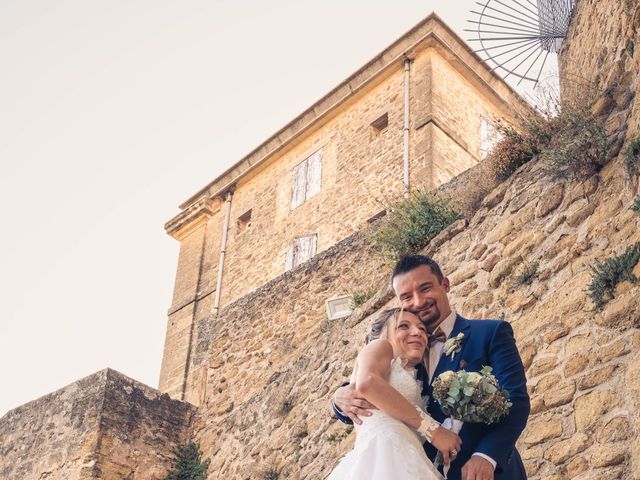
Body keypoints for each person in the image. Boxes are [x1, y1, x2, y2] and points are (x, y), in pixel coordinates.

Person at [333, 255, 530, 480]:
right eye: (406, 297)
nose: (417, 302)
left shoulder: (490, 333)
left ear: (445, 285)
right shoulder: (402, 352)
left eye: (425, 288)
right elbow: (374, 394)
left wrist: (486, 456)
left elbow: (516, 400)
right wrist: (340, 398)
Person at [328, 308, 461, 480]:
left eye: (422, 329)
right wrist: (432, 431)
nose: (417, 332)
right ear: (383, 333)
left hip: (412, 461)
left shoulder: (417, 375)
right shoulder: (380, 346)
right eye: (403, 326)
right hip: (382, 454)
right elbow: (368, 383)